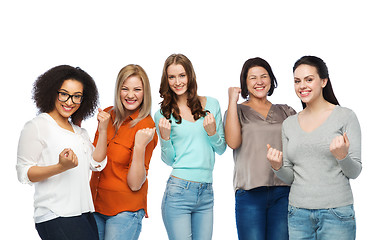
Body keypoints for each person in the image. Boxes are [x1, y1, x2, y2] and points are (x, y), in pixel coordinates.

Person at [267, 56, 361, 240]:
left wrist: (342, 156)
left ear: (323, 81)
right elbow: (290, 177)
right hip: (298, 214)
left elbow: (354, 171)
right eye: (297, 81)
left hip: (336, 214)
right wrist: (277, 166)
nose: (302, 86)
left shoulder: (346, 116)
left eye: (309, 79)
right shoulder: (289, 124)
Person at [16, 65, 110, 240]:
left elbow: (96, 163)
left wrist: (103, 130)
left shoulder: (79, 132)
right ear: (52, 92)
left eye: (77, 96)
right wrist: (60, 167)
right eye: (64, 94)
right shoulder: (37, 126)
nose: (69, 101)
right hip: (55, 214)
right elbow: (24, 173)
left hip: (84, 213)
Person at [154, 53, 226, 240]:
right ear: (166, 79)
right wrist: (166, 138)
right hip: (178, 191)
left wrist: (212, 132)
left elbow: (221, 148)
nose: (177, 82)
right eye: (172, 77)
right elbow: (169, 160)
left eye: (182, 75)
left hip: (206, 192)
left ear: (190, 76)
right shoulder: (162, 114)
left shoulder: (212, 104)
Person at [224, 57, 296, 240]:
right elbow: (232, 142)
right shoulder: (236, 111)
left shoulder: (285, 111)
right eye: (253, 78)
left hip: (283, 191)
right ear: (245, 83)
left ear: (271, 80)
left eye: (264, 76)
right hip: (249, 194)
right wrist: (232, 101)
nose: (259, 82)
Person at [90, 64, 158, 240]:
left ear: (145, 93)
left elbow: (135, 184)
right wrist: (103, 130)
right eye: (125, 88)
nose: (130, 95)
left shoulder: (147, 128)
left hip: (125, 210)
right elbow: (95, 163)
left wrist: (140, 146)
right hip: (94, 205)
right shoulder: (106, 114)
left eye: (137, 89)